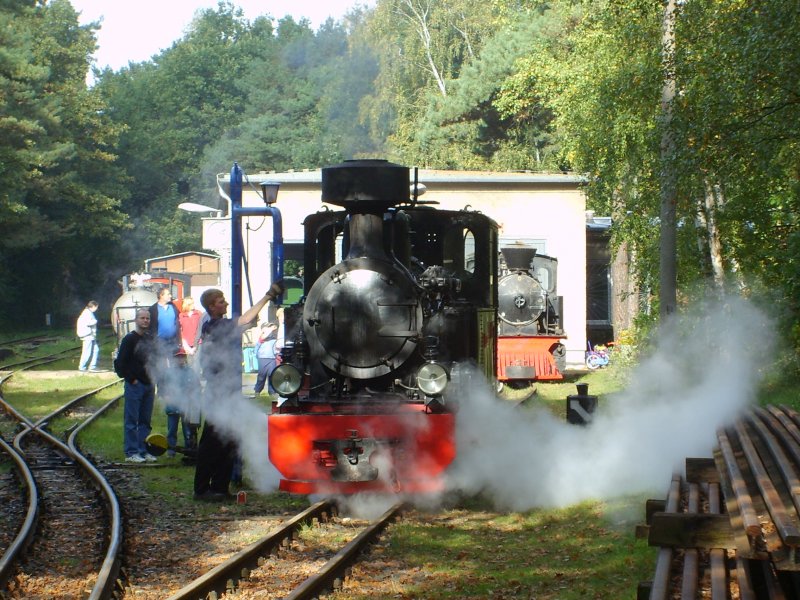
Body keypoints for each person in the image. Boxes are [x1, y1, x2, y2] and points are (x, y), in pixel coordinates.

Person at [193, 281, 283, 501]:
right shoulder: (216, 325)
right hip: (219, 393)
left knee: (230, 439)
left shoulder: (216, 326)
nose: (225, 304)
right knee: (212, 441)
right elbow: (244, 320)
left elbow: (245, 323)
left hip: (228, 392)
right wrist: (268, 296)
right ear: (212, 307)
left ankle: (220, 487)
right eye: (221, 301)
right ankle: (202, 489)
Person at [148, 287, 188, 458]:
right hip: (159, 341)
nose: (170, 295)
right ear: (160, 296)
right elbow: (152, 326)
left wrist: (179, 341)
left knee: (175, 367)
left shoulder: (173, 308)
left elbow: (177, 324)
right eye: (168, 294)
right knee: (162, 369)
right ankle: (163, 388)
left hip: (172, 341)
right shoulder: (153, 309)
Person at [114, 308, 158, 463]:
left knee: (145, 420)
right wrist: (131, 379)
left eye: (147, 318)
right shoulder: (129, 339)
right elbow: (120, 363)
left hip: (149, 383)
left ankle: (143, 450)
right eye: (142, 318)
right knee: (132, 420)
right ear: (136, 320)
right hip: (135, 385)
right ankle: (131, 452)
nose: (145, 321)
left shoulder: (150, 339)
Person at [253, 321, 279, 396]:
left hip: (272, 359)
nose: (270, 328)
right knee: (261, 376)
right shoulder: (262, 337)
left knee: (272, 375)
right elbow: (258, 345)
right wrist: (256, 355)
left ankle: (272, 392)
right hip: (262, 358)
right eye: (268, 327)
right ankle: (257, 391)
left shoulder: (274, 338)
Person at [76, 300, 100, 372]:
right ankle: (82, 367)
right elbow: (88, 323)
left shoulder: (88, 312)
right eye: (96, 307)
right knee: (87, 352)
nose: (96, 309)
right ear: (93, 306)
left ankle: (92, 366)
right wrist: (95, 321)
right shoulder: (87, 313)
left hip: (91, 336)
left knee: (96, 350)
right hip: (88, 336)